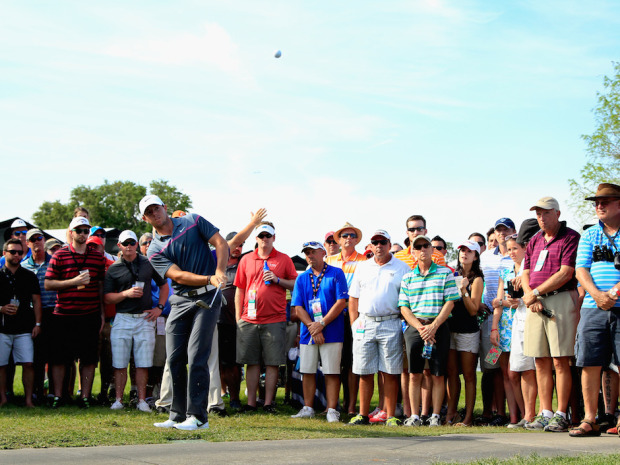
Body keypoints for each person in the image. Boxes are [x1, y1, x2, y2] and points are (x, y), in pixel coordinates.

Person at [140, 194, 228, 431]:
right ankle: (177, 414)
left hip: (208, 296)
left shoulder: (193, 220)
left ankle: (198, 417)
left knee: (197, 353)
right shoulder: (154, 249)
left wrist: (219, 271)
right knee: (175, 357)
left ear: (164, 207)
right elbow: (177, 275)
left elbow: (220, 242)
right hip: (180, 301)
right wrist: (211, 276)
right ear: (144, 218)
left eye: (156, 208)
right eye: (149, 212)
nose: (154, 214)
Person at [521, 197, 580, 432]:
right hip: (535, 302)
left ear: (557, 213)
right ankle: (545, 412)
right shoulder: (535, 239)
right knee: (540, 359)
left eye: (545, 213)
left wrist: (535, 292)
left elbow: (566, 273)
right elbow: (525, 270)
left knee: (560, 359)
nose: (541, 218)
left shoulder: (570, 237)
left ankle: (561, 413)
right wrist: (529, 295)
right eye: (538, 214)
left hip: (560, 299)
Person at [347, 230, 410, 427]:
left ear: (390, 244)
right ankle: (363, 415)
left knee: (390, 372)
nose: (379, 246)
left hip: (391, 321)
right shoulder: (362, 267)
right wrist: (353, 323)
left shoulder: (403, 268)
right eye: (375, 242)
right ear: (371, 246)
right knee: (364, 372)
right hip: (365, 323)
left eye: (383, 242)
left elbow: (407, 299)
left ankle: (390, 416)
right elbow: (353, 298)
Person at [571, 183, 620, 437]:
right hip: (593, 307)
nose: (599, 206)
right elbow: (581, 269)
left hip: (617, 304)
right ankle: (589, 419)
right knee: (589, 362)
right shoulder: (590, 235)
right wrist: (598, 295)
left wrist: (613, 294)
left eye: (605, 201)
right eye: (597, 203)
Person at [234, 222, 297, 413]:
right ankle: (251, 403)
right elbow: (240, 289)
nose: (264, 239)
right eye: (261, 236)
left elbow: (295, 284)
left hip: (274, 319)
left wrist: (278, 280)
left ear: (274, 238)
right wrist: (238, 318)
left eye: (267, 236)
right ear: (256, 238)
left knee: (272, 363)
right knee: (251, 363)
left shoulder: (284, 259)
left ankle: (269, 403)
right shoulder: (246, 259)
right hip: (249, 320)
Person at [44, 216, 106, 409]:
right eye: (78, 230)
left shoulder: (97, 257)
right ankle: (59, 395)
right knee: (60, 358)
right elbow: (48, 284)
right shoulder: (59, 255)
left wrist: (102, 314)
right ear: (71, 232)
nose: (82, 234)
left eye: (86, 231)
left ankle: (85, 396)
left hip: (90, 314)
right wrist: (73, 282)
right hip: (63, 314)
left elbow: (100, 287)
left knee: (88, 359)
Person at [104, 230, 169, 412]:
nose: (130, 246)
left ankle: (141, 401)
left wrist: (160, 308)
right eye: (126, 243)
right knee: (119, 362)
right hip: (122, 318)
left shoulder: (148, 263)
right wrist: (125, 294)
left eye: (133, 243)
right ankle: (118, 400)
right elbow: (107, 298)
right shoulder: (114, 268)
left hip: (144, 318)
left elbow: (164, 286)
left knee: (143, 363)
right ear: (119, 246)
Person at [399, 235, 459, 427]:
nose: (423, 249)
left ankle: (434, 415)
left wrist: (433, 327)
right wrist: (420, 327)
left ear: (432, 250)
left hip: (438, 327)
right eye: (419, 247)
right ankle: (415, 415)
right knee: (414, 373)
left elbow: (450, 302)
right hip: (416, 328)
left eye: (426, 246)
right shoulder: (408, 277)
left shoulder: (445, 273)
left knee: (437, 374)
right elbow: (404, 307)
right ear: (414, 252)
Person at [290, 241, 348, 422]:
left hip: (332, 329)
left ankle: (332, 409)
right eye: (307, 253)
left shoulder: (336, 273)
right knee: (307, 370)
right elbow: (297, 307)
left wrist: (321, 324)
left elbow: (341, 302)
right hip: (309, 331)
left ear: (323, 252)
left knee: (331, 371)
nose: (310, 256)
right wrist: (312, 327)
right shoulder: (302, 277)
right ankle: (308, 407)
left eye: (313, 252)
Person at [325, 222, 367, 415]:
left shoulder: (364, 261)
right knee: (333, 362)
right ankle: (332, 405)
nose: (348, 238)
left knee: (351, 362)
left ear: (357, 239)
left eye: (351, 235)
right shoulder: (329, 260)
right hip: (332, 316)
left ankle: (350, 406)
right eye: (344, 235)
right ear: (338, 240)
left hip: (353, 316)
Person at [495, 233, 537, 428]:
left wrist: (518, 301)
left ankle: (529, 414)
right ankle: (515, 416)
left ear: (525, 249)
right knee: (509, 374)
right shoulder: (505, 272)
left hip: (526, 321)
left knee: (527, 370)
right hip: (505, 325)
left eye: (515, 248)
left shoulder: (532, 271)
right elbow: (498, 302)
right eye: (509, 249)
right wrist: (494, 328)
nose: (511, 252)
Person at [477, 218, 516, 426]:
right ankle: (493, 412)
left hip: (512, 317)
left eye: (506, 229)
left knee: (512, 367)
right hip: (490, 319)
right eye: (499, 230)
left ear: (513, 231)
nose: (502, 233)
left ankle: (513, 412)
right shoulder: (485, 257)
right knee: (492, 366)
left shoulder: (517, 254)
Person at [445, 240, 484, 427]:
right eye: (462, 250)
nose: (464, 254)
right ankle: (451, 414)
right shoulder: (452, 273)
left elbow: (473, 310)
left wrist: (463, 291)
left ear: (475, 256)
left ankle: (468, 417)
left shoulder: (477, 279)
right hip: (451, 329)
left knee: (469, 375)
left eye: (469, 251)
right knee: (452, 373)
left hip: (468, 331)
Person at [0, 238, 41, 407]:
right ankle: (2, 398)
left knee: (28, 363)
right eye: (13, 252)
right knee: (1, 365)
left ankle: (28, 400)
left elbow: (37, 301)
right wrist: (1, 308)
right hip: (2, 327)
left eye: (20, 252)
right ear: (4, 253)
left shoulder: (29, 276)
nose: (17, 255)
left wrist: (38, 324)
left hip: (24, 326)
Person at [21, 229, 57, 403]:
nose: (37, 241)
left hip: (52, 310)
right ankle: (36, 392)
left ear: (44, 240)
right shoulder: (23, 265)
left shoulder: (54, 262)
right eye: (33, 239)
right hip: (31, 313)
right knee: (35, 356)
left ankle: (54, 393)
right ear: (27, 243)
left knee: (54, 354)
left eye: (39, 238)